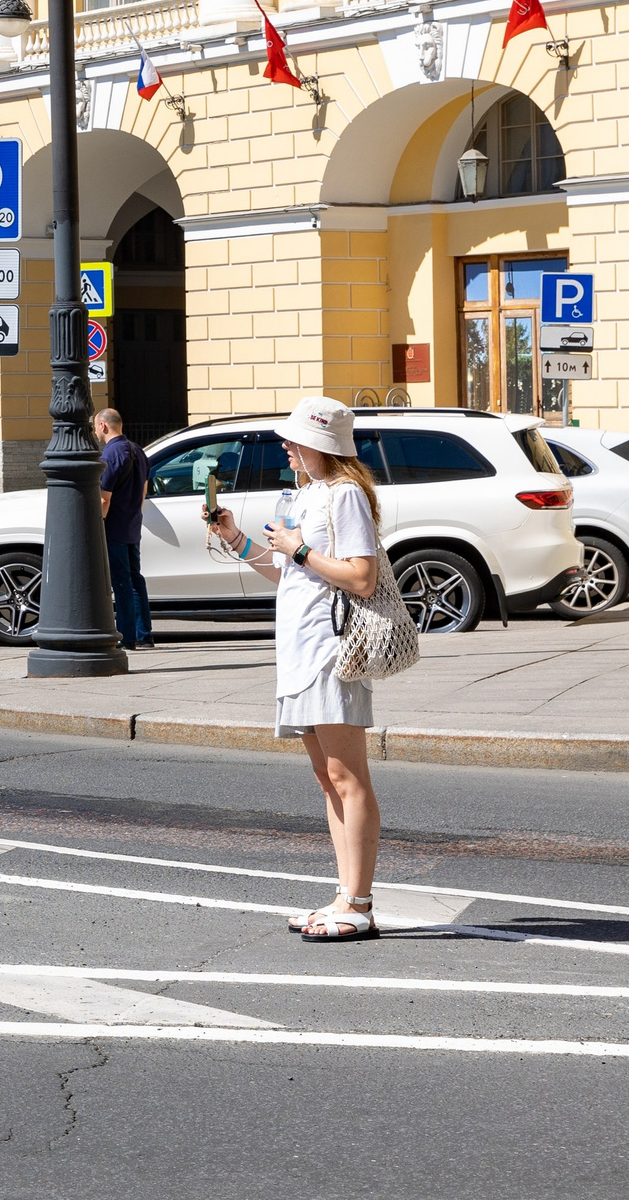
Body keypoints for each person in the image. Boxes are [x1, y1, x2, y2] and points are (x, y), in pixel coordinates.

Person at [207, 395, 384, 943]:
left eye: (294, 439)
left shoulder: (345, 494)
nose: (285, 445)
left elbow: (362, 577)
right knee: (326, 777)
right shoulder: (304, 494)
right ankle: (344, 893)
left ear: (319, 445)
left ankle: (359, 904)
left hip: (333, 651)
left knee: (347, 777)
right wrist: (235, 537)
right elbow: (284, 573)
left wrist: (300, 550)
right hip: (300, 653)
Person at [95, 408, 152, 650]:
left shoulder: (110, 454)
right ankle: (144, 634)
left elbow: (104, 499)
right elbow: (143, 491)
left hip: (114, 527)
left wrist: (99, 523)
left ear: (103, 426)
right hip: (132, 524)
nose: (95, 432)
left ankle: (127, 636)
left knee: (121, 582)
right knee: (135, 579)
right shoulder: (138, 450)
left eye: (95, 427)